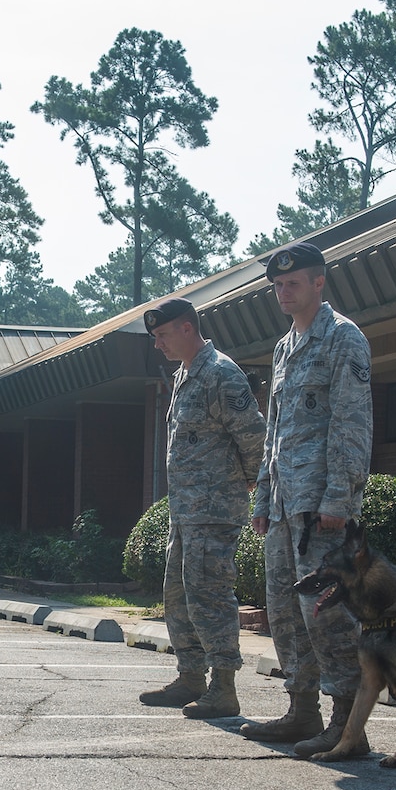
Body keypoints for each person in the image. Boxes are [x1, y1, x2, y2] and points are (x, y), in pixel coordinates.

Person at [240, 242, 373, 756]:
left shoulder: (343, 339)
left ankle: (347, 723)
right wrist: (262, 499)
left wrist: (340, 498)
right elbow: (273, 433)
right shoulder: (283, 347)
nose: (283, 291)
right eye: (277, 285)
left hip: (323, 509)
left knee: (327, 615)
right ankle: (301, 710)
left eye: (292, 283)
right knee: (286, 611)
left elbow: (352, 424)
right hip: (282, 509)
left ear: (320, 282)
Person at [136, 298, 265, 718]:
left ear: (188, 328)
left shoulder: (221, 374)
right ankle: (190, 677)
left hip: (214, 511)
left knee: (210, 596)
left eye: (162, 335)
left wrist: (248, 484)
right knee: (178, 596)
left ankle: (223, 687)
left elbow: (253, 439)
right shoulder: (184, 375)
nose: (157, 344)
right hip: (185, 512)